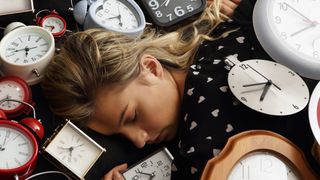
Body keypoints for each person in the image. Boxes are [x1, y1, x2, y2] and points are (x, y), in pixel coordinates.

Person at [41, 0, 320, 179]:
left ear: (150, 68)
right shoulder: (225, 31)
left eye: (132, 116)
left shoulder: (199, 143)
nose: (138, 141)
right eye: (120, 136)